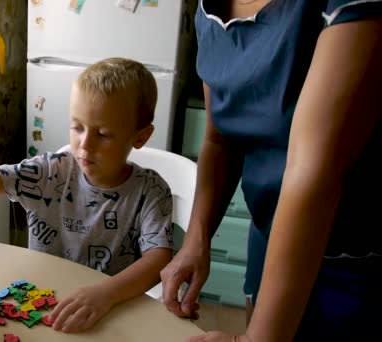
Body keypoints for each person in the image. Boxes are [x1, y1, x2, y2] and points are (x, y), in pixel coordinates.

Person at [160, 1, 382, 341]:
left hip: (355, 255)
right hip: (270, 235)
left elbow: (312, 168)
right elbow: (220, 140)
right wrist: (196, 239)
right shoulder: (209, 11)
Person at [0, 57, 175, 333]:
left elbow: (158, 259)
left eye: (103, 134)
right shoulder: (51, 171)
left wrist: (107, 293)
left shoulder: (150, 191)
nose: (85, 145)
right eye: (77, 127)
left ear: (140, 137)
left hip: (108, 311)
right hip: (37, 305)